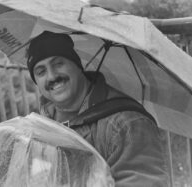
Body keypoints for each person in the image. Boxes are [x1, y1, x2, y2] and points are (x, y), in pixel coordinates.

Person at [26, 31, 169, 186]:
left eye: (58, 64)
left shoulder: (128, 124)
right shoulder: (43, 124)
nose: (52, 76)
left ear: (77, 65)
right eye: (41, 72)